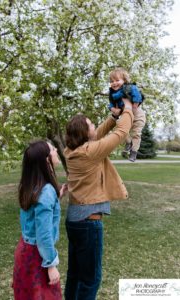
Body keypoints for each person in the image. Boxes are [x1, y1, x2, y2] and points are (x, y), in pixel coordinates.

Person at [63, 99, 134, 300]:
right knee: (91, 279)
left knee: (75, 275)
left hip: (75, 220)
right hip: (88, 222)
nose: (95, 126)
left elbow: (99, 135)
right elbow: (120, 134)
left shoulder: (72, 151)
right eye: (91, 125)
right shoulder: (90, 153)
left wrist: (113, 117)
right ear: (84, 133)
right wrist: (128, 109)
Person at [12, 140, 67, 300]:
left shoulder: (30, 186)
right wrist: (51, 265)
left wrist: (57, 197)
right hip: (37, 257)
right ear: (46, 160)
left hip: (24, 251)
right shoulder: (47, 192)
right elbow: (43, 236)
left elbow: (38, 210)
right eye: (52, 149)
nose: (56, 150)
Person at [109, 67, 146, 162]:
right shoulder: (113, 94)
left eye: (117, 80)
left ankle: (134, 152)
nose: (114, 83)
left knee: (136, 133)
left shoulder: (130, 88)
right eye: (112, 81)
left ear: (124, 80)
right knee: (121, 129)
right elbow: (111, 104)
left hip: (137, 114)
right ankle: (128, 143)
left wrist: (133, 107)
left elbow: (137, 96)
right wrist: (113, 108)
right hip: (125, 114)